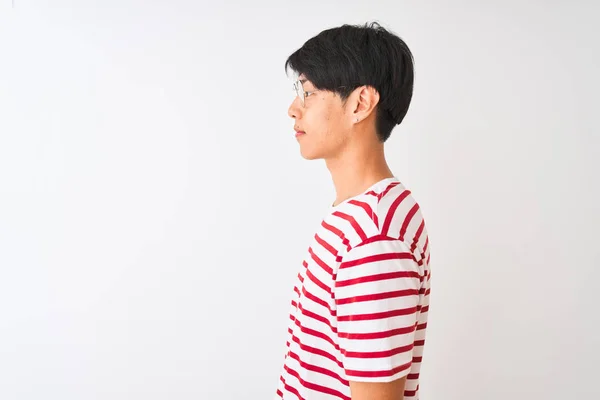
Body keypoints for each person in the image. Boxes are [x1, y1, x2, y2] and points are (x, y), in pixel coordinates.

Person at [275, 22, 431, 400]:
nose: (293, 109)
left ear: (361, 103)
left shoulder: (375, 240)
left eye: (309, 93)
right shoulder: (364, 215)